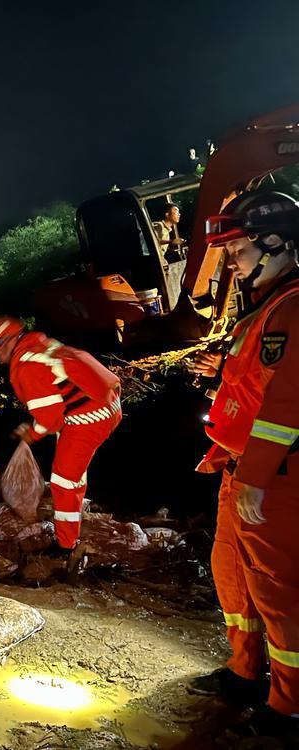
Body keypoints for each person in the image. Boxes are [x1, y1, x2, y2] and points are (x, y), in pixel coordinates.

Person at [187, 191, 299, 739]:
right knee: (233, 574)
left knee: (279, 589)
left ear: (275, 242)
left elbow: (287, 402)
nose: (232, 258)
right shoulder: (265, 305)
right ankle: (244, 672)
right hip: (240, 468)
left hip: (274, 478)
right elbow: (254, 383)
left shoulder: (293, 307)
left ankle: (289, 706)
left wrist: (254, 477)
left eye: (239, 247)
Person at [0, 318, 121, 555]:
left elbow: (51, 419)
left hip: (90, 415)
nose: (1, 361)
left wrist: (30, 434)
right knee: (73, 474)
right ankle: (73, 520)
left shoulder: (26, 365)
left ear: (5, 343)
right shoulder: (41, 345)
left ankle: (65, 546)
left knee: (63, 480)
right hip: (108, 404)